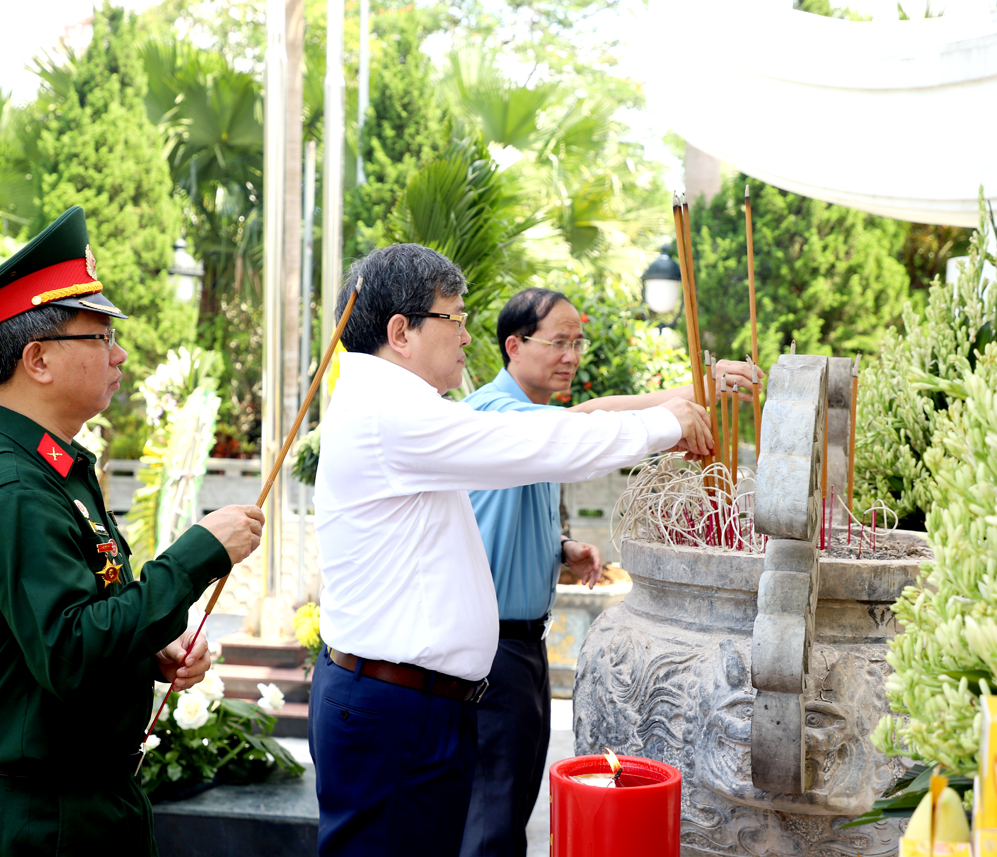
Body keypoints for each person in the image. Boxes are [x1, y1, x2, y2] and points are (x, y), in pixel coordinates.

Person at [309, 243, 714, 857]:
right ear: (401, 332)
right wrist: (665, 424)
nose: (467, 337)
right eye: (454, 318)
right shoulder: (386, 413)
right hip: (396, 708)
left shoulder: (397, 407)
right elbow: (533, 442)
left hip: (414, 702)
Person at [0, 206, 265, 857]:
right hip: (40, 815)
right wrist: (197, 555)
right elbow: (71, 651)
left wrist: (147, 650)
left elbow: (76, 619)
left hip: (78, 799)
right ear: (39, 358)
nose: (120, 353)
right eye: (100, 335)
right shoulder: (10, 485)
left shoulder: (50, 465)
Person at [460, 288, 761, 857]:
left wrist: (559, 547)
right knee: (489, 819)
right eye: (558, 342)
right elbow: (591, 424)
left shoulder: (537, 419)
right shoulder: (494, 414)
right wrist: (674, 413)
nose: (571, 355)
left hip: (519, 649)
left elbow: (582, 419)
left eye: (577, 342)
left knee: (510, 809)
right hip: (489, 654)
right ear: (513, 345)